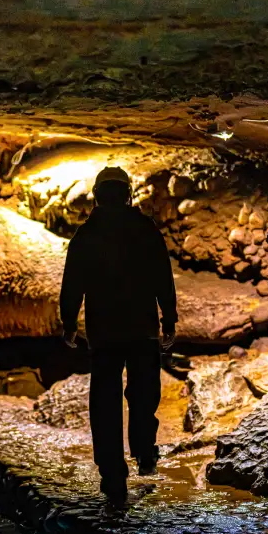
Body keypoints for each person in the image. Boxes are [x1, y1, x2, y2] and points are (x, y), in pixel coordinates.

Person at [59, 166, 177, 504]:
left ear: (97, 196)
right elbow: (162, 277)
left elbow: (72, 284)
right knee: (144, 395)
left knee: (105, 403)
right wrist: (168, 319)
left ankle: (113, 473)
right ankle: (144, 452)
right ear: (129, 194)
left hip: (105, 333)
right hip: (142, 331)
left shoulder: (87, 235)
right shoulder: (145, 230)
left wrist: (69, 322)